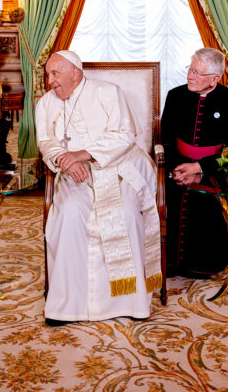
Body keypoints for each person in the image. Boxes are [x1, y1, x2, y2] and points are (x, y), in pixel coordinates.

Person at [36, 50, 161, 325]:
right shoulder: (46, 103)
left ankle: (129, 301)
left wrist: (81, 154)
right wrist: (64, 161)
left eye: (55, 74)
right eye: (48, 75)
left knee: (126, 214)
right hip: (74, 174)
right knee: (68, 214)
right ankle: (67, 306)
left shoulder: (108, 92)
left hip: (117, 169)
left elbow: (124, 135)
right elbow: (46, 142)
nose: (50, 81)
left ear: (75, 73)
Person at [161, 47, 228, 277]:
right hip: (177, 166)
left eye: (198, 73)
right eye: (190, 69)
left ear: (215, 79)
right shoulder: (175, 95)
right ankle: (170, 262)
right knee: (169, 198)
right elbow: (167, 140)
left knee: (207, 204)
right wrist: (178, 169)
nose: (190, 76)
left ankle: (205, 264)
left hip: (214, 168)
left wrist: (199, 168)